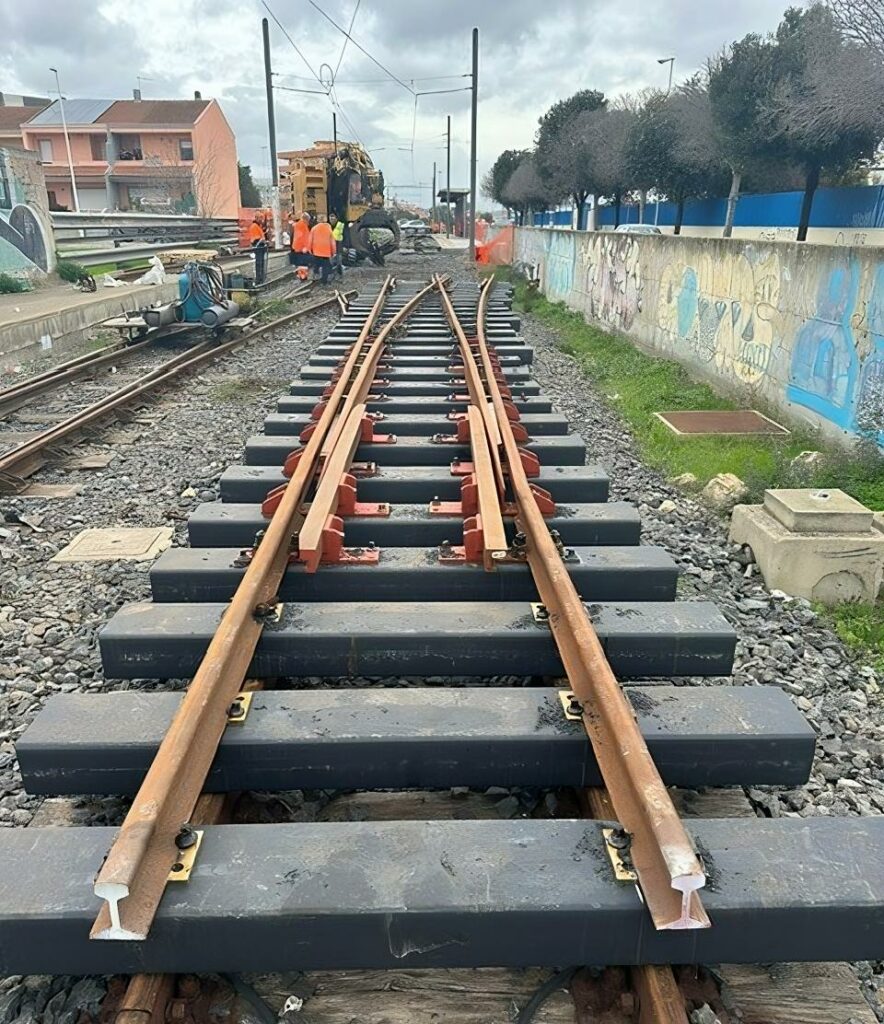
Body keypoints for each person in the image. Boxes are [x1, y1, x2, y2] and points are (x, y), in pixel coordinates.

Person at [309, 214, 336, 285]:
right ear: (325, 220)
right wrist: (333, 251)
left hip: (316, 251)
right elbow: (332, 242)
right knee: (325, 266)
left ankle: (315, 276)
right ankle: (324, 281)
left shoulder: (314, 228)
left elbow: (310, 240)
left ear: (318, 220)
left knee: (316, 264)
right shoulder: (329, 228)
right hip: (326, 251)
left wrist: (310, 250)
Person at [247, 214, 267, 284]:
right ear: (257, 218)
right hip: (258, 246)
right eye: (261, 218)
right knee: (259, 263)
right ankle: (259, 279)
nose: (262, 220)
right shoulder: (254, 226)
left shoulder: (258, 226)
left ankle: (261, 278)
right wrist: (262, 240)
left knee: (261, 263)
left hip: (260, 246)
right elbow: (256, 239)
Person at [291, 212, 312, 277]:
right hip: (302, 248)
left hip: (298, 247)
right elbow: (303, 237)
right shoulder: (302, 225)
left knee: (301, 263)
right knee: (303, 263)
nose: (308, 222)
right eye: (308, 220)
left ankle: (302, 276)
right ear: (306, 219)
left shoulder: (298, 224)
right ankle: (303, 276)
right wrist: (306, 247)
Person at [329, 212, 345, 279]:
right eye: (330, 218)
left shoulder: (340, 225)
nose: (332, 220)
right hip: (330, 247)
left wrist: (345, 245)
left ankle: (340, 275)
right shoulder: (328, 226)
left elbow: (345, 235)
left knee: (339, 262)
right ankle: (332, 275)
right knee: (331, 262)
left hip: (338, 245)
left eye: (333, 218)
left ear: (336, 218)